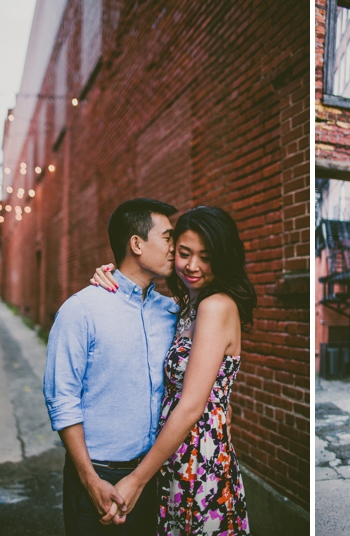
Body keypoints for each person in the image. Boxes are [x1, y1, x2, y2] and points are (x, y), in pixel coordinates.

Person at [93, 206, 256, 535]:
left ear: (222, 258)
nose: (193, 266)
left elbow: (194, 405)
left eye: (206, 257)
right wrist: (112, 273)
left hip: (195, 454)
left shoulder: (215, 307)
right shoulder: (187, 308)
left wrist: (137, 481)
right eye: (184, 253)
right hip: (179, 450)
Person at [43, 198, 179, 535]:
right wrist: (90, 480)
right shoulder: (82, 310)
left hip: (155, 475)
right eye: (167, 238)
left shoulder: (174, 312)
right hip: (96, 477)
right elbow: (62, 400)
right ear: (136, 243)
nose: (175, 248)